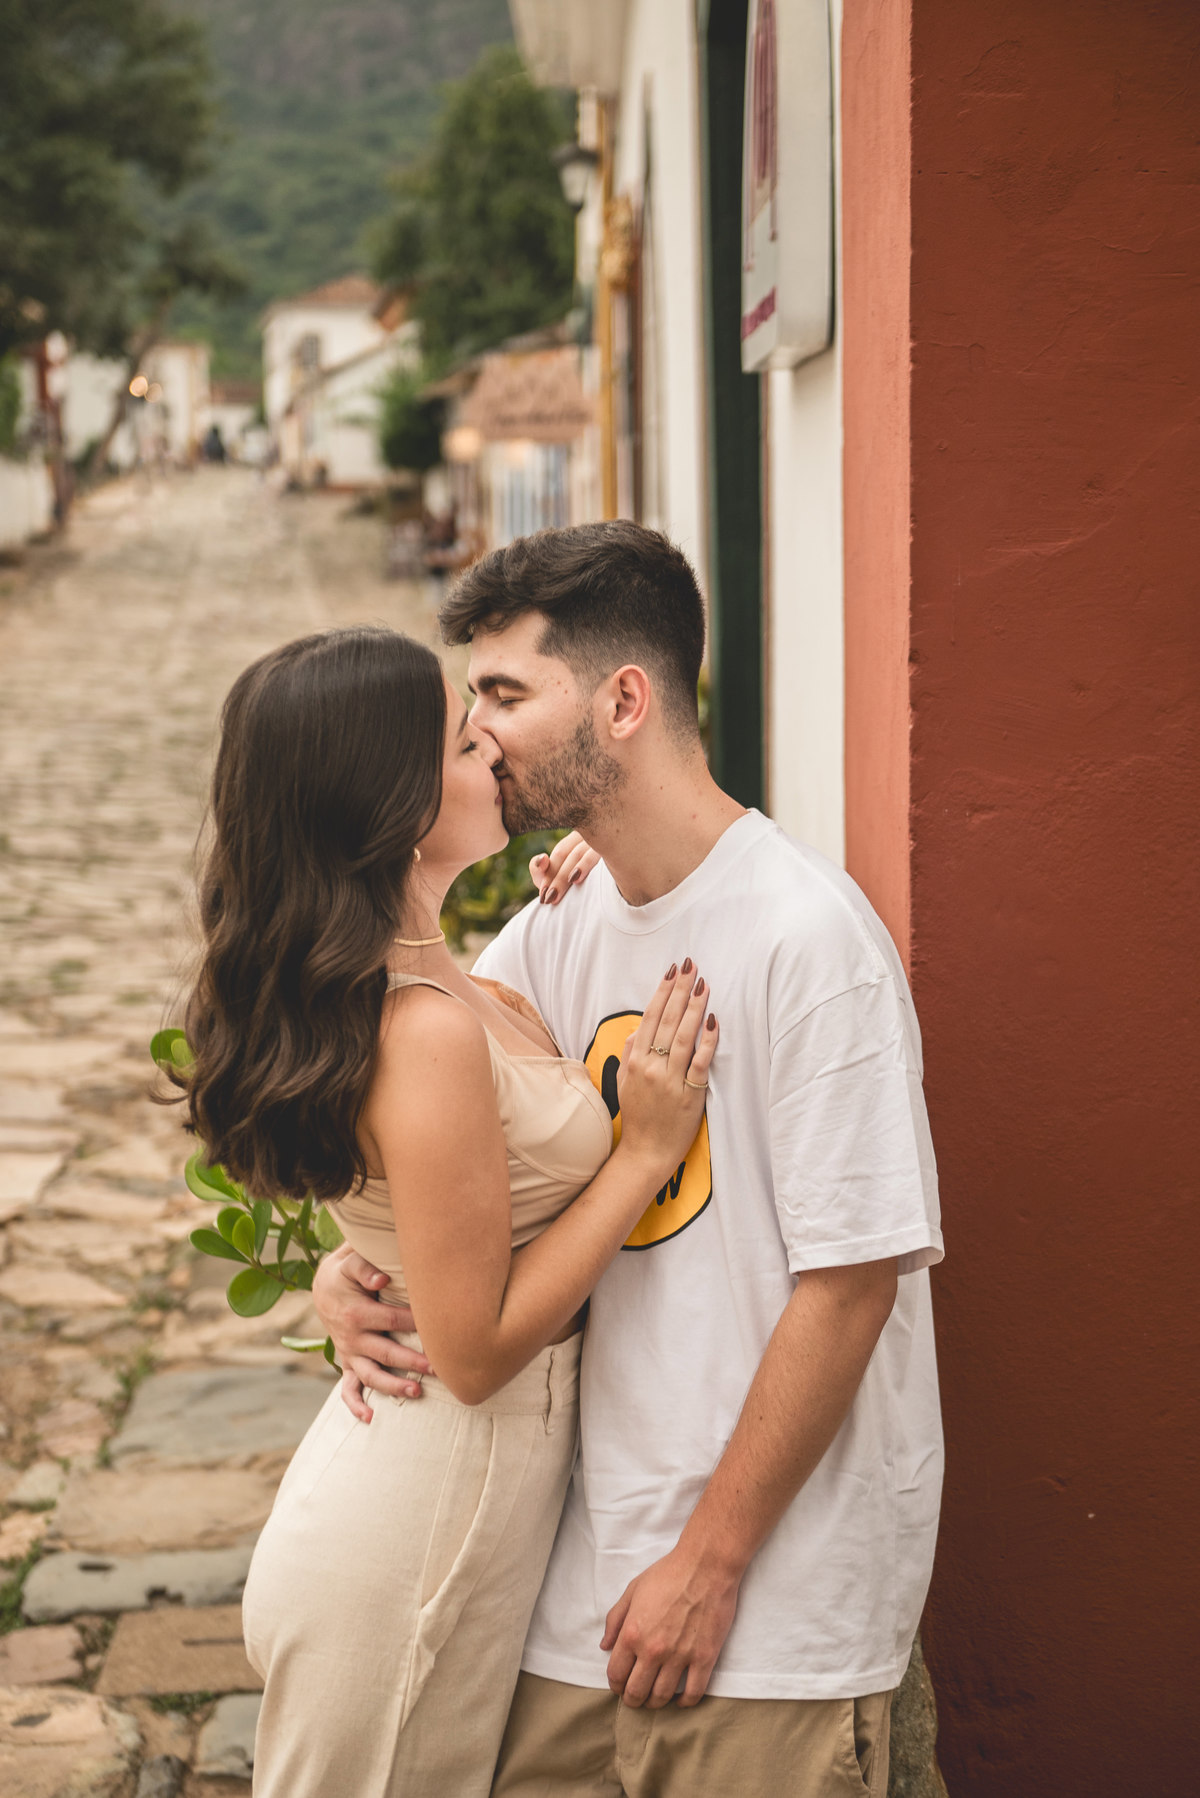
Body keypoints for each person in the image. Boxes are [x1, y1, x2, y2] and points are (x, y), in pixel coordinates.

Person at [315, 521, 944, 1798]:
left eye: (504, 693)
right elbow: (417, 1126)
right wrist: (352, 1265)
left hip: (769, 1614)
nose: (478, 734)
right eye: (471, 702)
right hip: (571, 1601)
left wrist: (713, 1560)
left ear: (622, 700)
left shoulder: (807, 940)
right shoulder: (554, 927)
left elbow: (852, 1286)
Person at [176, 626, 719, 1797]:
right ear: (394, 801)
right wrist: (643, 1154)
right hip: (416, 1536)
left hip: (429, 1507)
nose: (492, 751)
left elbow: (402, 1192)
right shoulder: (417, 1025)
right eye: (461, 737)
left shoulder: (441, 981)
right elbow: (471, 1352)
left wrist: (603, 865)